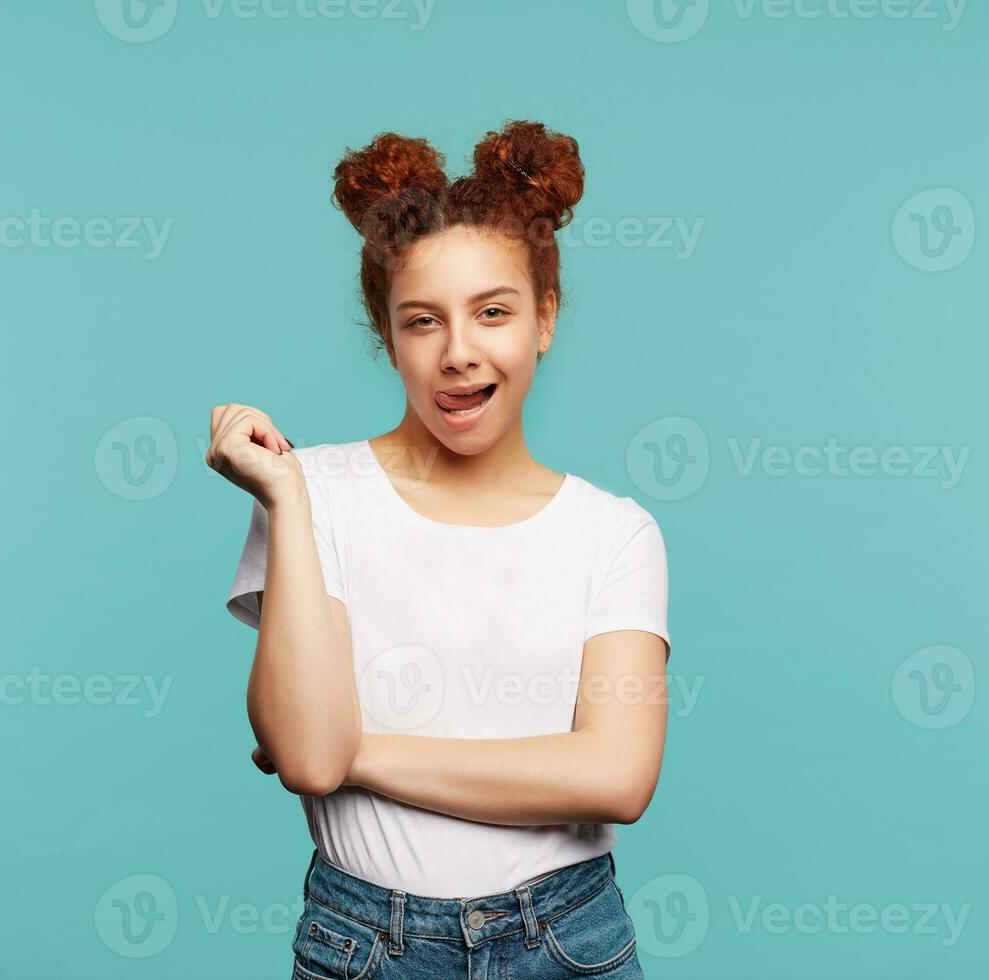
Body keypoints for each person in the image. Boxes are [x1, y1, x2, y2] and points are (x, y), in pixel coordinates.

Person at [207, 119, 671, 979]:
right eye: (424, 322)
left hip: (566, 939)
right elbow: (309, 758)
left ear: (545, 319)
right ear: (388, 338)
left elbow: (616, 776)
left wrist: (360, 751)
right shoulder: (309, 493)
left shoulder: (615, 534)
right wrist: (283, 497)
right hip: (365, 942)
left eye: (493, 312)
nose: (460, 354)